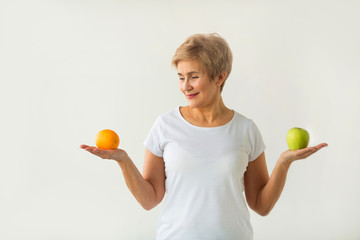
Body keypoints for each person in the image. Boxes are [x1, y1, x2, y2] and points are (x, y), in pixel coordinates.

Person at [80, 33, 328, 240]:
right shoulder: (165, 125)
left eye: (194, 76)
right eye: (180, 77)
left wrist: (284, 163)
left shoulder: (245, 129)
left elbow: (261, 206)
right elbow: (149, 200)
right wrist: (123, 160)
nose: (185, 86)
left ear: (220, 76)